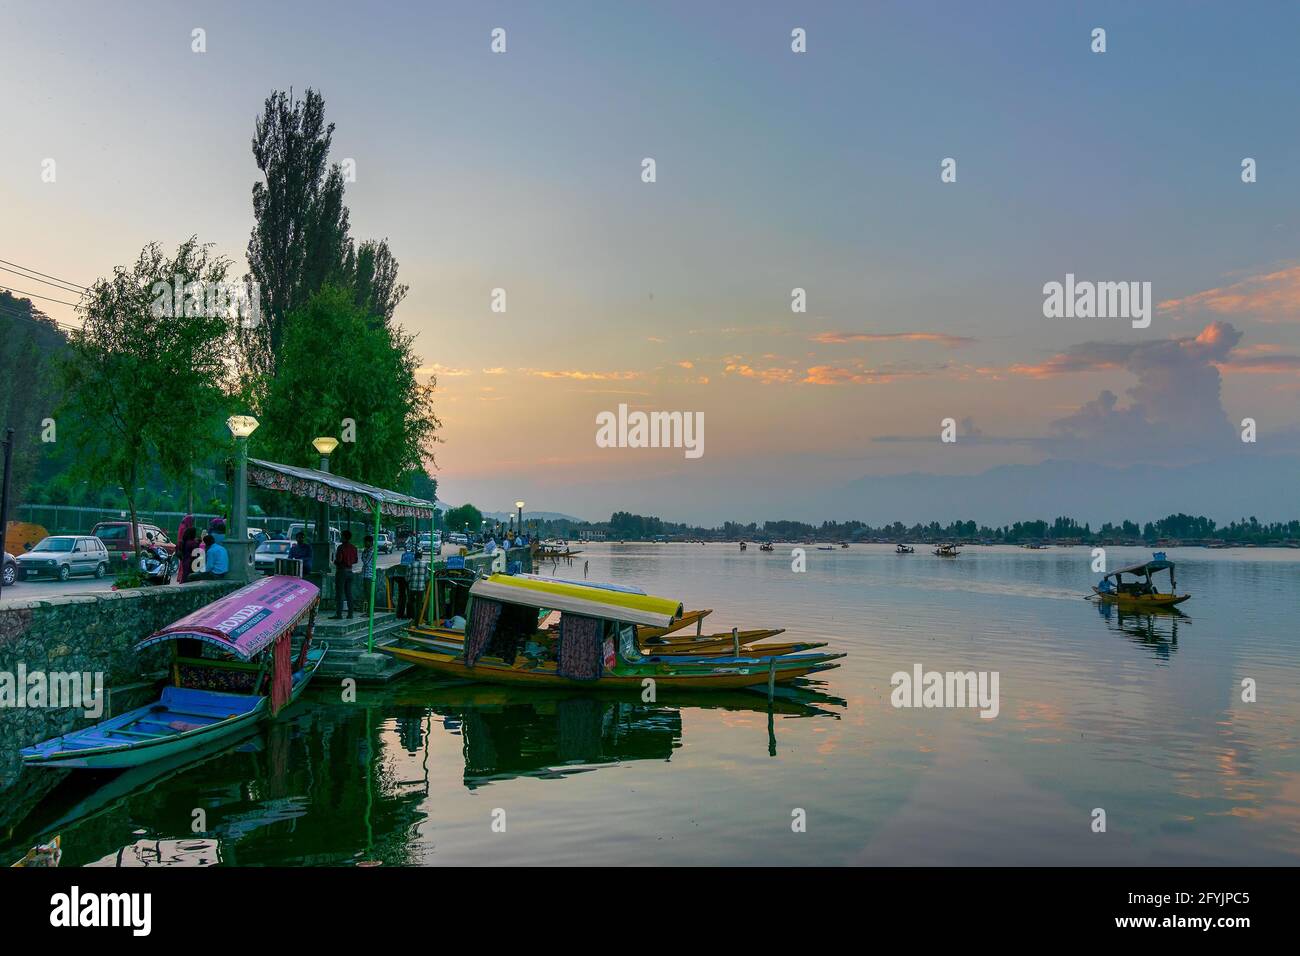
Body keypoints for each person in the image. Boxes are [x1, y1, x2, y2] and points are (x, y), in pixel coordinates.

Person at [332, 529, 359, 620]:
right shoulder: (353, 547)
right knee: (349, 593)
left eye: (341, 536)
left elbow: (339, 559)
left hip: (341, 571)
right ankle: (350, 614)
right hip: (350, 571)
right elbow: (355, 560)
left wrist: (335, 562)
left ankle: (339, 614)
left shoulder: (341, 547)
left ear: (344, 537)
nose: (340, 537)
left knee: (339, 593)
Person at [407, 547, 429, 625]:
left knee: (411, 602)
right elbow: (427, 577)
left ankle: (411, 618)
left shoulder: (411, 564)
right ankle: (417, 622)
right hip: (421, 588)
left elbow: (408, 577)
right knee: (419, 604)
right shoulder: (425, 564)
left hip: (412, 587)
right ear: (421, 557)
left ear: (414, 557)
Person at [360, 534, 376, 612]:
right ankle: (368, 611)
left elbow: (366, 561)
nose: (364, 544)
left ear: (369, 542)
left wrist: (363, 555)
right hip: (365, 574)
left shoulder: (371, 551)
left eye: (365, 542)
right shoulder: (366, 551)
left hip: (369, 574)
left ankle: (370, 611)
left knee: (369, 593)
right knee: (366, 593)